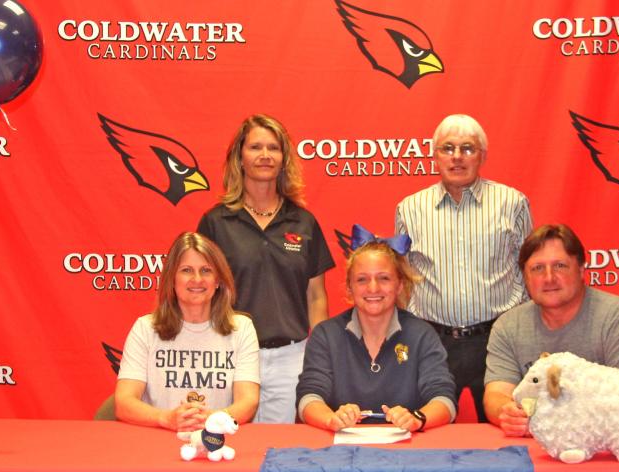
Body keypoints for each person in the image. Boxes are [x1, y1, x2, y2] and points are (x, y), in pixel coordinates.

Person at [395, 113, 532, 421]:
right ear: (435, 155)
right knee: (431, 435)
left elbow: (530, 268)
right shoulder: (410, 208)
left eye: (468, 148)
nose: (457, 157)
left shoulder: (512, 202)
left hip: (498, 339)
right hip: (433, 340)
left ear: (482, 155)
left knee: (506, 428)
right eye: (447, 148)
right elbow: (403, 275)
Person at [198, 114, 334, 424]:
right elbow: (201, 294)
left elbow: (316, 296)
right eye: (255, 147)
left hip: (291, 358)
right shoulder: (215, 222)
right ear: (239, 158)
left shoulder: (304, 222)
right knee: (228, 446)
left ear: (284, 159)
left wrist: (320, 352)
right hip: (231, 354)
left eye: (273, 148)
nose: (264, 155)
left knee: (280, 451)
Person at [483, 224, 619, 437]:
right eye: (537, 268)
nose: (549, 278)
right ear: (525, 277)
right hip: (533, 450)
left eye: (560, 266)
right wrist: (507, 413)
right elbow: (496, 394)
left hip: (602, 446)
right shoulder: (507, 326)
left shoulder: (617, 318)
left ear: (581, 269)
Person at [296, 225, 457, 432]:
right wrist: (330, 419)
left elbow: (444, 398)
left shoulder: (422, 334)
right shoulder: (326, 335)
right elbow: (309, 396)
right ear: (349, 287)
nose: (373, 288)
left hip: (409, 451)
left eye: (384, 278)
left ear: (399, 285)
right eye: (362, 280)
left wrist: (417, 419)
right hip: (340, 452)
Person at [115, 232, 259, 431]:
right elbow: (124, 403)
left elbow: (248, 401)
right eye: (187, 270)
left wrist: (214, 419)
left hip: (218, 440)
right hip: (158, 440)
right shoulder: (145, 328)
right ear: (172, 279)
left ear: (218, 280)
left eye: (206, 270)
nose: (197, 279)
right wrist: (166, 419)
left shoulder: (241, 328)